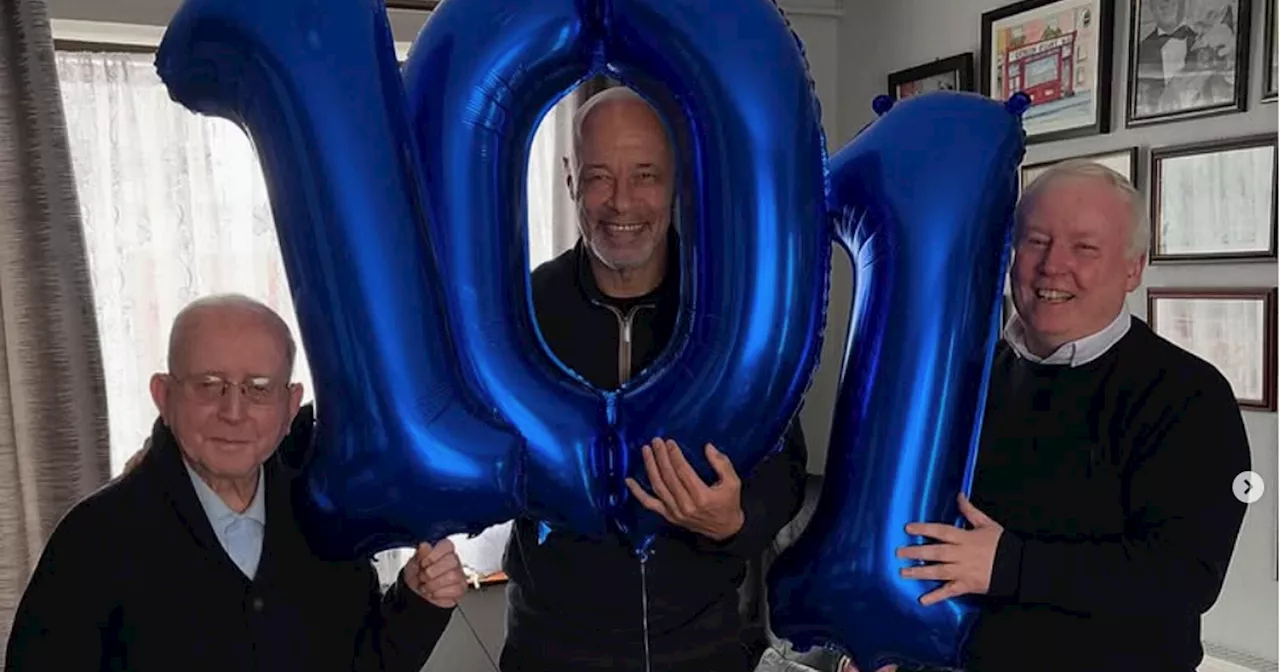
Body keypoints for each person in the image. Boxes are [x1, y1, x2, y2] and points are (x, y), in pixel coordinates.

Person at [893, 161, 1251, 671]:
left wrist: (1009, 565)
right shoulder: (969, 376)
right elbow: (929, 526)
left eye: (1085, 247)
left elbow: (1183, 577)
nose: (1052, 266)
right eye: (1036, 241)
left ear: (1133, 268)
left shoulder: (1189, 395)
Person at [499, 86, 810, 672]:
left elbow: (788, 463)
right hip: (552, 644)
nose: (621, 203)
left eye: (645, 175)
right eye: (598, 177)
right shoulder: (521, 311)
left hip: (705, 640)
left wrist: (738, 518)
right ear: (570, 180)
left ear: (677, 181)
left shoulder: (731, 310)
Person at [4, 294, 468, 672]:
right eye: (209, 385)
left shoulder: (323, 517)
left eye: (258, 387)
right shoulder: (93, 540)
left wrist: (418, 603)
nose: (233, 411)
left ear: (290, 407)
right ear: (164, 397)